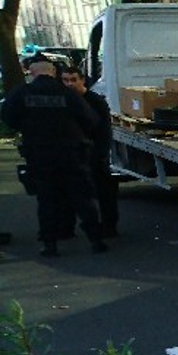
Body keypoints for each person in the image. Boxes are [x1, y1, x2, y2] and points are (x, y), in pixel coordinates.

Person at [1, 57, 107, 256]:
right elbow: (91, 119)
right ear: (54, 73)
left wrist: (27, 127)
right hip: (71, 153)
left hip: (39, 154)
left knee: (47, 199)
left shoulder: (21, 94)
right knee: (82, 197)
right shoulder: (68, 94)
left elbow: (8, 118)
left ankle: (49, 243)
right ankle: (96, 240)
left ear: (32, 73)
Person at [61, 64, 119, 238]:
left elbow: (104, 130)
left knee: (104, 193)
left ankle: (109, 227)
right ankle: (68, 227)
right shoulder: (64, 100)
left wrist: (101, 154)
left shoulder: (95, 101)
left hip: (94, 153)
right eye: (65, 80)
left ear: (82, 80)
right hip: (72, 154)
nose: (69, 84)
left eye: (73, 80)